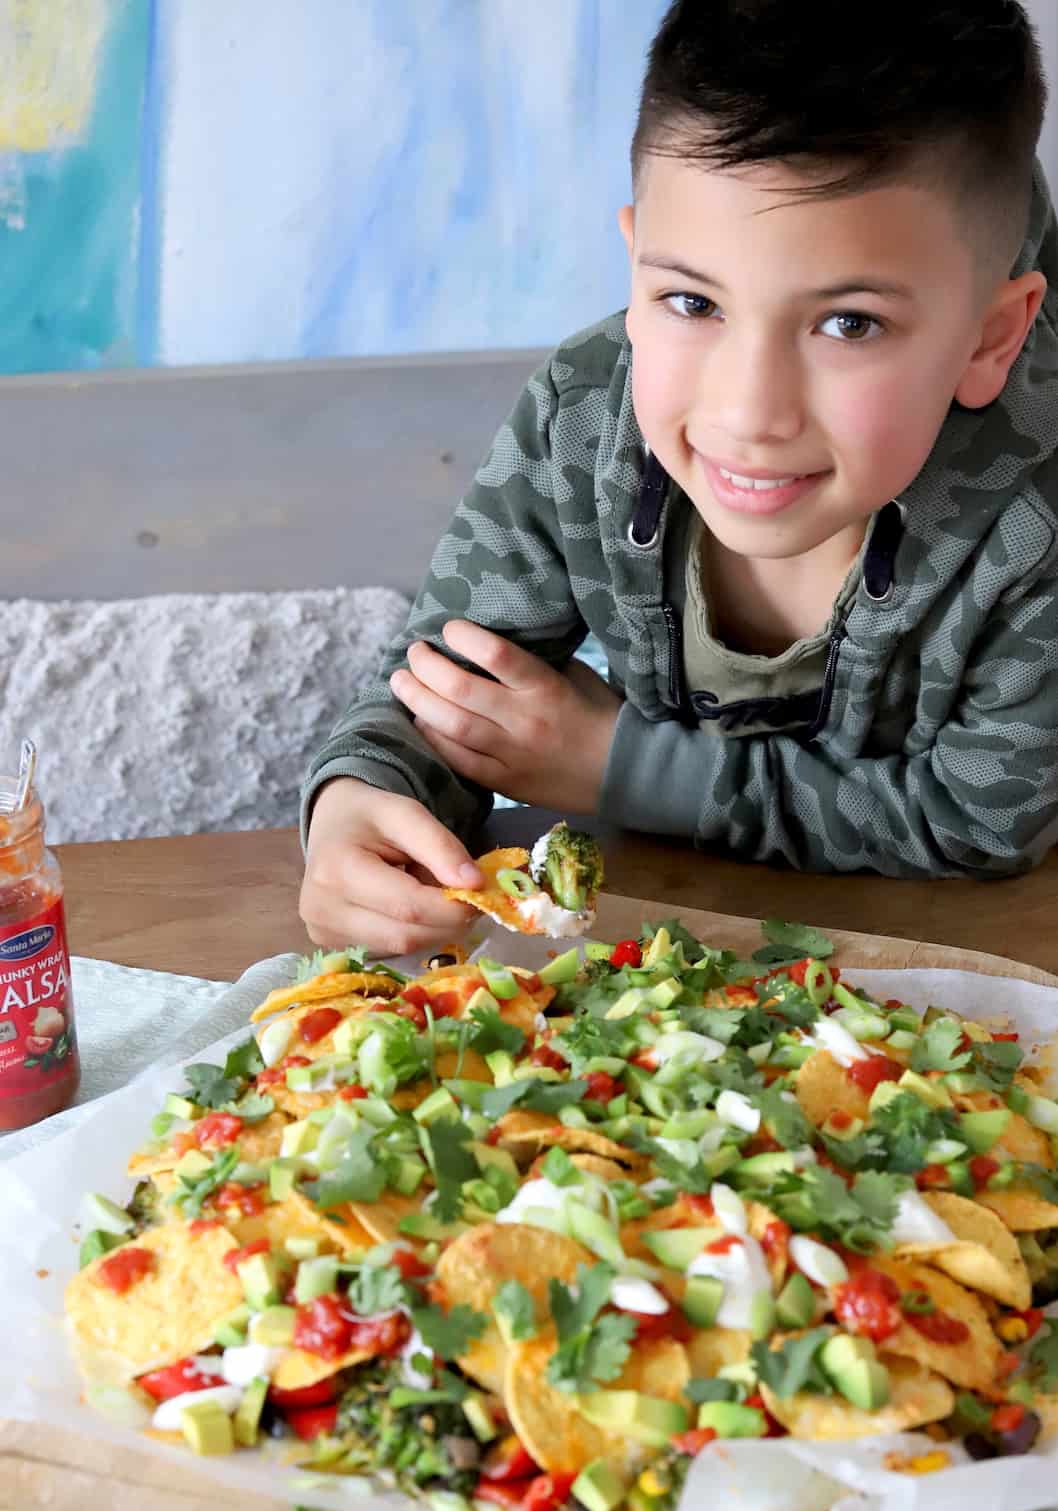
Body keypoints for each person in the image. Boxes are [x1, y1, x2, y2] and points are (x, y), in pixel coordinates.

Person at [300, 0, 1058, 956]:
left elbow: (982, 820)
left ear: (990, 339)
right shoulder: (584, 419)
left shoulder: (1036, 520)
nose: (748, 413)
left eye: (849, 324)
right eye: (693, 302)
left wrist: (620, 769)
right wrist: (358, 798)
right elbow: (448, 686)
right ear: (634, 269)